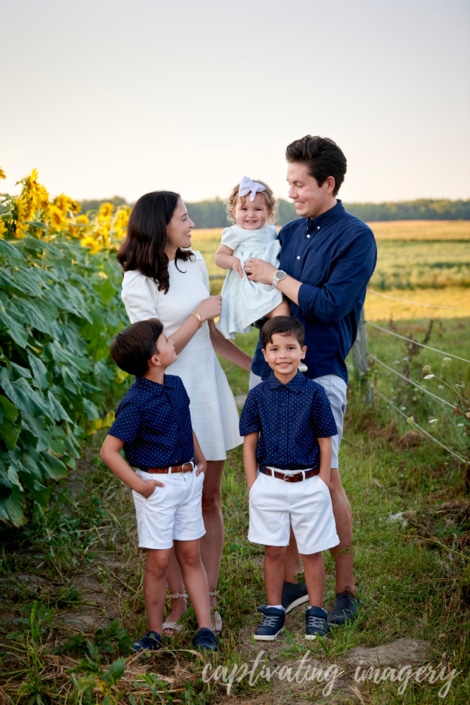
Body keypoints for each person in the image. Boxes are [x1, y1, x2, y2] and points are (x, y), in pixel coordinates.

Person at [244, 135, 377, 625]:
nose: (292, 192)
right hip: (269, 375)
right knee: (285, 474)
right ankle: (300, 579)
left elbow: (328, 305)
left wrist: (276, 278)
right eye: (289, 183)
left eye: (300, 184)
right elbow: (258, 295)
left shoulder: (356, 237)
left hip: (320, 374)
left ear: (328, 183)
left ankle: (344, 590)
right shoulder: (289, 234)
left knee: (326, 480)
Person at [116, 191, 252, 636]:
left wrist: (255, 366)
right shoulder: (137, 282)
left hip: (206, 392)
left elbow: (209, 337)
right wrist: (197, 314)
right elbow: (157, 351)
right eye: (184, 217)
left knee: (207, 499)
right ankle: (175, 605)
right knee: (172, 504)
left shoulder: (192, 264)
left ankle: (205, 601)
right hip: (166, 399)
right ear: (160, 225)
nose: (192, 224)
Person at [100, 318, 218, 652]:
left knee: (191, 554)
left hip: (188, 479)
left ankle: (205, 628)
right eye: (166, 341)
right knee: (160, 561)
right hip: (158, 487)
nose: (172, 344)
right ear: (154, 358)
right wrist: (141, 485)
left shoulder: (176, 385)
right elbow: (109, 450)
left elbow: (185, 423)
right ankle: (153, 632)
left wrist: (200, 456)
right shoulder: (135, 402)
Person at [240, 317, 339, 640]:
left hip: (309, 483)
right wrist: (253, 483)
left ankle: (317, 610)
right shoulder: (258, 396)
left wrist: (323, 482)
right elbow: (250, 442)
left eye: (290, 348)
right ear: (265, 355)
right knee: (274, 550)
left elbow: (325, 440)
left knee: (312, 550)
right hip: (269, 482)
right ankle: (274, 611)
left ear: (303, 351)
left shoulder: (314, 394)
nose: (283, 355)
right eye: (275, 349)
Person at [215, 176, 290, 339]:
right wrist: (233, 261)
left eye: (257, 209)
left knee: (286, 310)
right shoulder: (234, 233)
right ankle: (280, 346)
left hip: (270, 281)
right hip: (250, 286)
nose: (251, 215)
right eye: (244, 209)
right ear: (233, 212)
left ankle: (276, 345)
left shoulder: (271, 231)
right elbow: (219, 257)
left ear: (269, 211)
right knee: (282, 309)